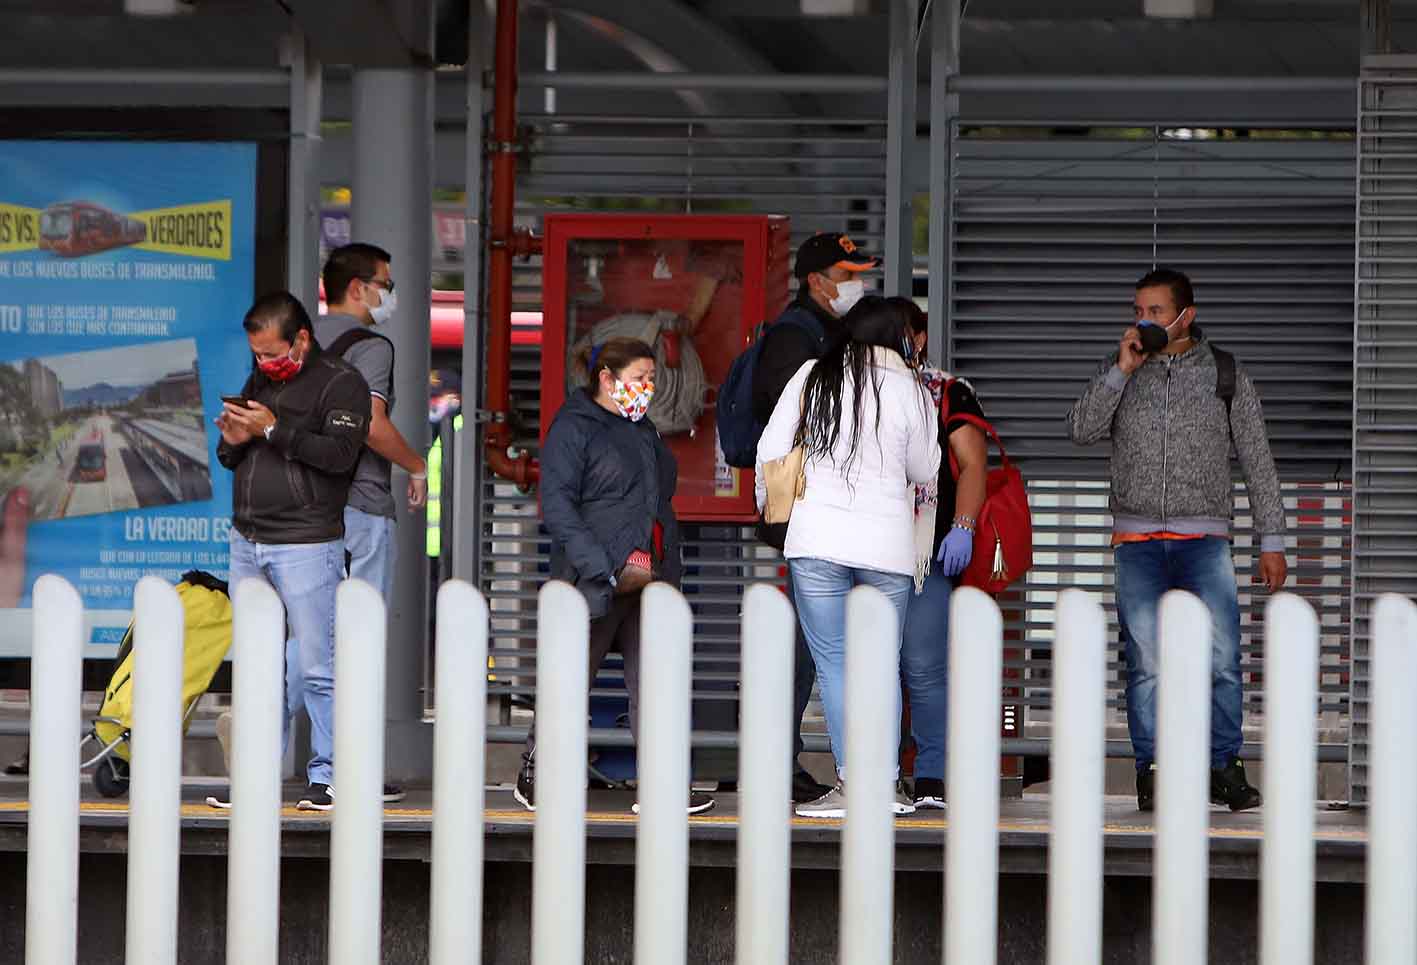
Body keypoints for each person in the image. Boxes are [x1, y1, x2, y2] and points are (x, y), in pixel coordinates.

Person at [1067, 267, 1287, 813]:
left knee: (1222, 659)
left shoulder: (1225, 372)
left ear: (1186, 315)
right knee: (1146, 664)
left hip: (1204, 541)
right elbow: (1080, 429)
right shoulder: (1122, 368)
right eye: (1138, 311)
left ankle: (1223, 768)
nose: (1144, 320)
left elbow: (1257, 458)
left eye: (1156, 311)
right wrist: (1121, 371)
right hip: (1137, 542)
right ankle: (1153, 770)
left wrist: (1272, 539)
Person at [756, 296, 941, 818]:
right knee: (882, 664)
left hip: (818, 540)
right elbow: (926, 467)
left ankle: (849, 782)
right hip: (886, 546)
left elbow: (771, 449)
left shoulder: (814, 375)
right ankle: (885, 784)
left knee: (835, 663)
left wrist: (780, 500)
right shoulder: (909, 387)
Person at [515, 336, 714, 816]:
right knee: (569, 681)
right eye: (640, 378)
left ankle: (663, 786)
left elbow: (655, 498)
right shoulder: (573, 427)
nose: (649, 387)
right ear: (607, 378)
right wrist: (605, 570)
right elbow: (557, 507)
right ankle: (537, 775)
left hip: (649, 579)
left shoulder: (642, 428)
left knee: (656, 684)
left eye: (652, 378)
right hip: (594, 579)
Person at [215, 291, 377, 812]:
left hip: (307, 541)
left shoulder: (342, 383)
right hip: (248, 539)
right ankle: (256, 777)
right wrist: (234, 437)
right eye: (256, 355)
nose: (263, 363)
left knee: (318, 666)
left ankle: (327, 777)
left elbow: (339, 456)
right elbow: (229, 457)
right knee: (258, 666)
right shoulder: (261, 380)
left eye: (270, 353)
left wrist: (270, 428)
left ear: (301, 339)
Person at [750, 232, 880, 805]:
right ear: (816, 281)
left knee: (820, 647)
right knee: (806, 651)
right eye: (847, 274)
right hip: (809, 518)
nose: (857, 283)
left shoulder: (827, 332)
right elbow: (791, 432)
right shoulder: (795, 339)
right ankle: (778, 763)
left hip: (834, 519)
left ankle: (789, 762)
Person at [892, 298, 988, 811]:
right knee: (873, 668)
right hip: (866, 549)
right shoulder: (855, 391)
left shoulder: (948, 391)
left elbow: (973, 464)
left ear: (920, 338)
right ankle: (881, 774)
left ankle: (931, 774)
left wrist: (963, 528)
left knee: (923, 667)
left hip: (925, 553)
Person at [315, 243, 428, 603]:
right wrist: (417, 467)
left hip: (301, 511)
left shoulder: (295, 342)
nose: (390, 294)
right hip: (358, 508)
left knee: (310, 628)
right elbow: (370, 424)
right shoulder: (371, 347)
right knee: (361, 625)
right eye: (385, 285)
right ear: (357, 288)